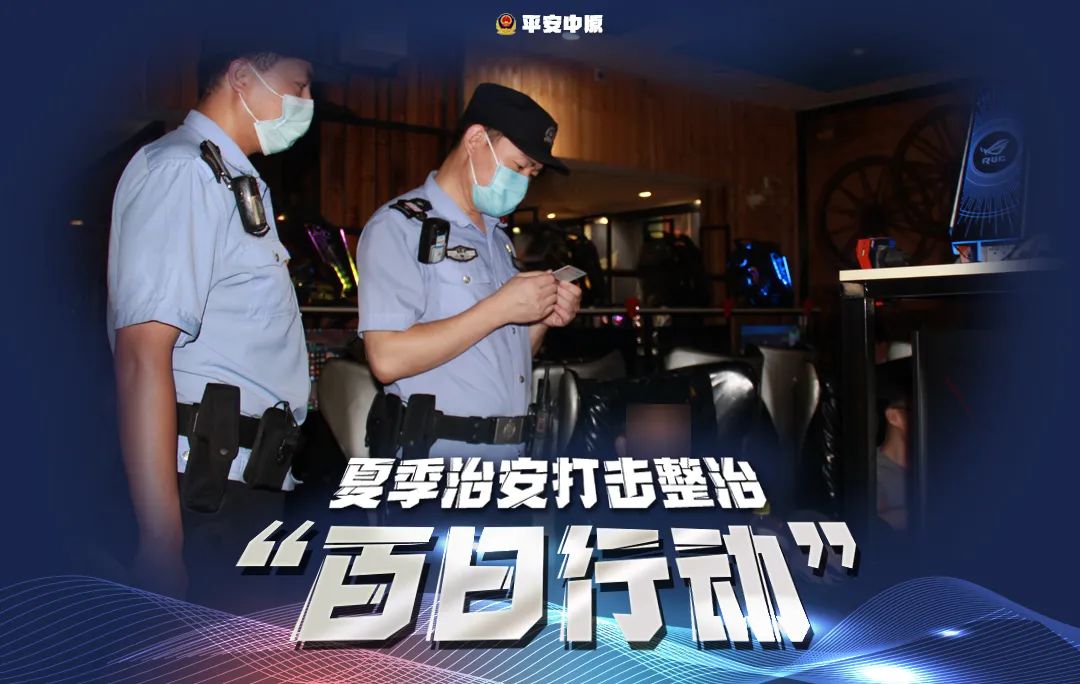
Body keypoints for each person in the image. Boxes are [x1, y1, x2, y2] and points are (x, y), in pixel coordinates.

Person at [107, 49, 315, 599]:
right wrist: (160, 539)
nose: (307, 102)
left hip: (242, 479)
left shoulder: (230, 179)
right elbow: (142, 354)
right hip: (203, 486)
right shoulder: (185, 172)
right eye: (298, 85)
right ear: (242, 75)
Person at [356, 83, 581, 459]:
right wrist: (499, 308)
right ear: (476, 140)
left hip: (508, 454)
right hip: (436, 456)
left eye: (533, 173)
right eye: (519, 166)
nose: (524, 181)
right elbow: (386, 359)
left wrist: (541, 316)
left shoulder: (497, 239)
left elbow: (498, 353)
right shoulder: (400, 227)